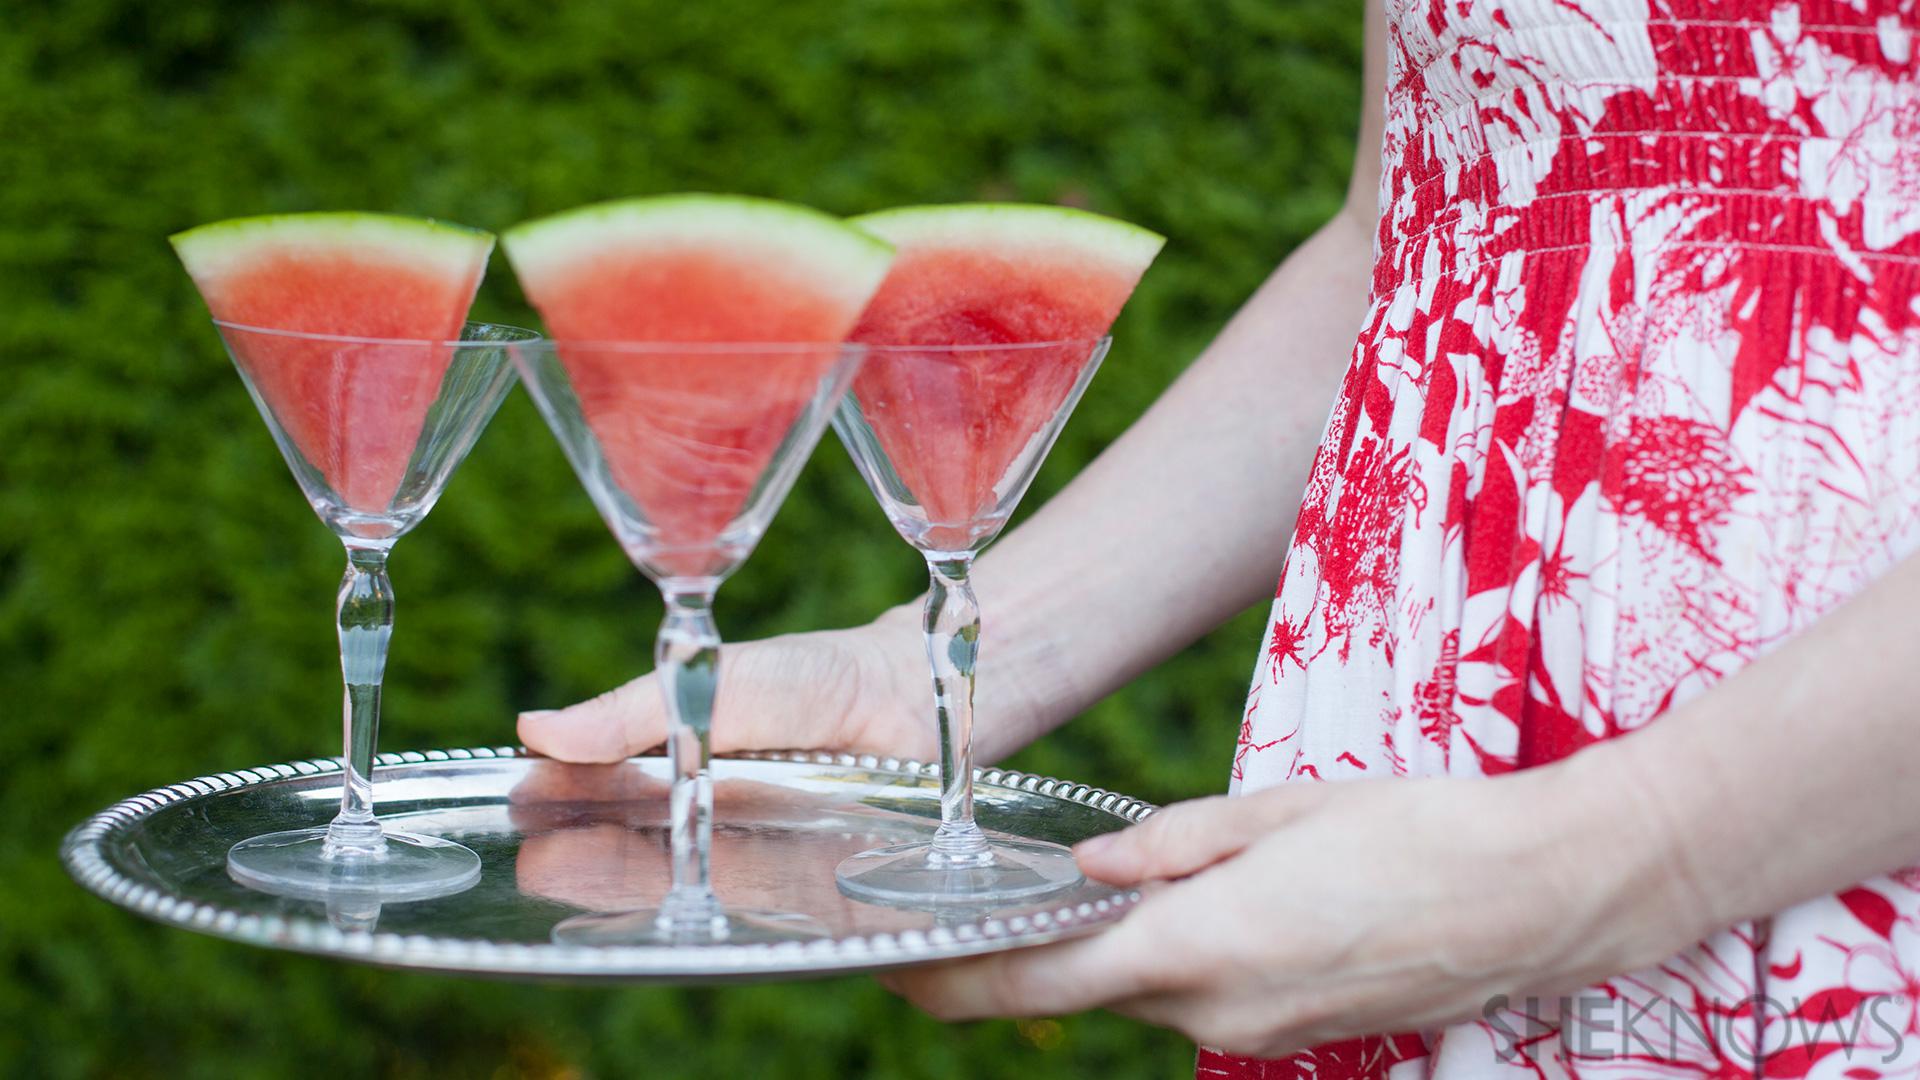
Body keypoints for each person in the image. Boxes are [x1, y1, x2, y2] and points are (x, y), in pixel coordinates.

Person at [518, 1, 1920, 1075]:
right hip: (1404, 825)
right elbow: (1431, 238)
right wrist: (930, 675)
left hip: (1812, 816)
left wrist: (1603, 861)